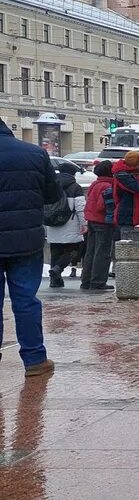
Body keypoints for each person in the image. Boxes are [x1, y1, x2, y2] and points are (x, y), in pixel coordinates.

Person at [0, 119, 63, 377]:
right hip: (26, 242)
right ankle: (35, 360)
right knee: (26, 300)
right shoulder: (35, 154)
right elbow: (52, 195)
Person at [45, 161, 87, 288]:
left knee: (55, 251)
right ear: (73, 173)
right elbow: (80, 208)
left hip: (52, 222)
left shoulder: (52, 186)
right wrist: (84, 223)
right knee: (73, 249)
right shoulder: (75, 187)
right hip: (70, 223)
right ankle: (58, 269)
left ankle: (55, 281)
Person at [81, 160, 116, 292]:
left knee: (91, 251)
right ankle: (98, 281)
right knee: (102, 252)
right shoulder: (107, 186)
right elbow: (103, 206)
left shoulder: (95, 184)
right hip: (103, 222)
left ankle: (86, 280)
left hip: (92, 220)